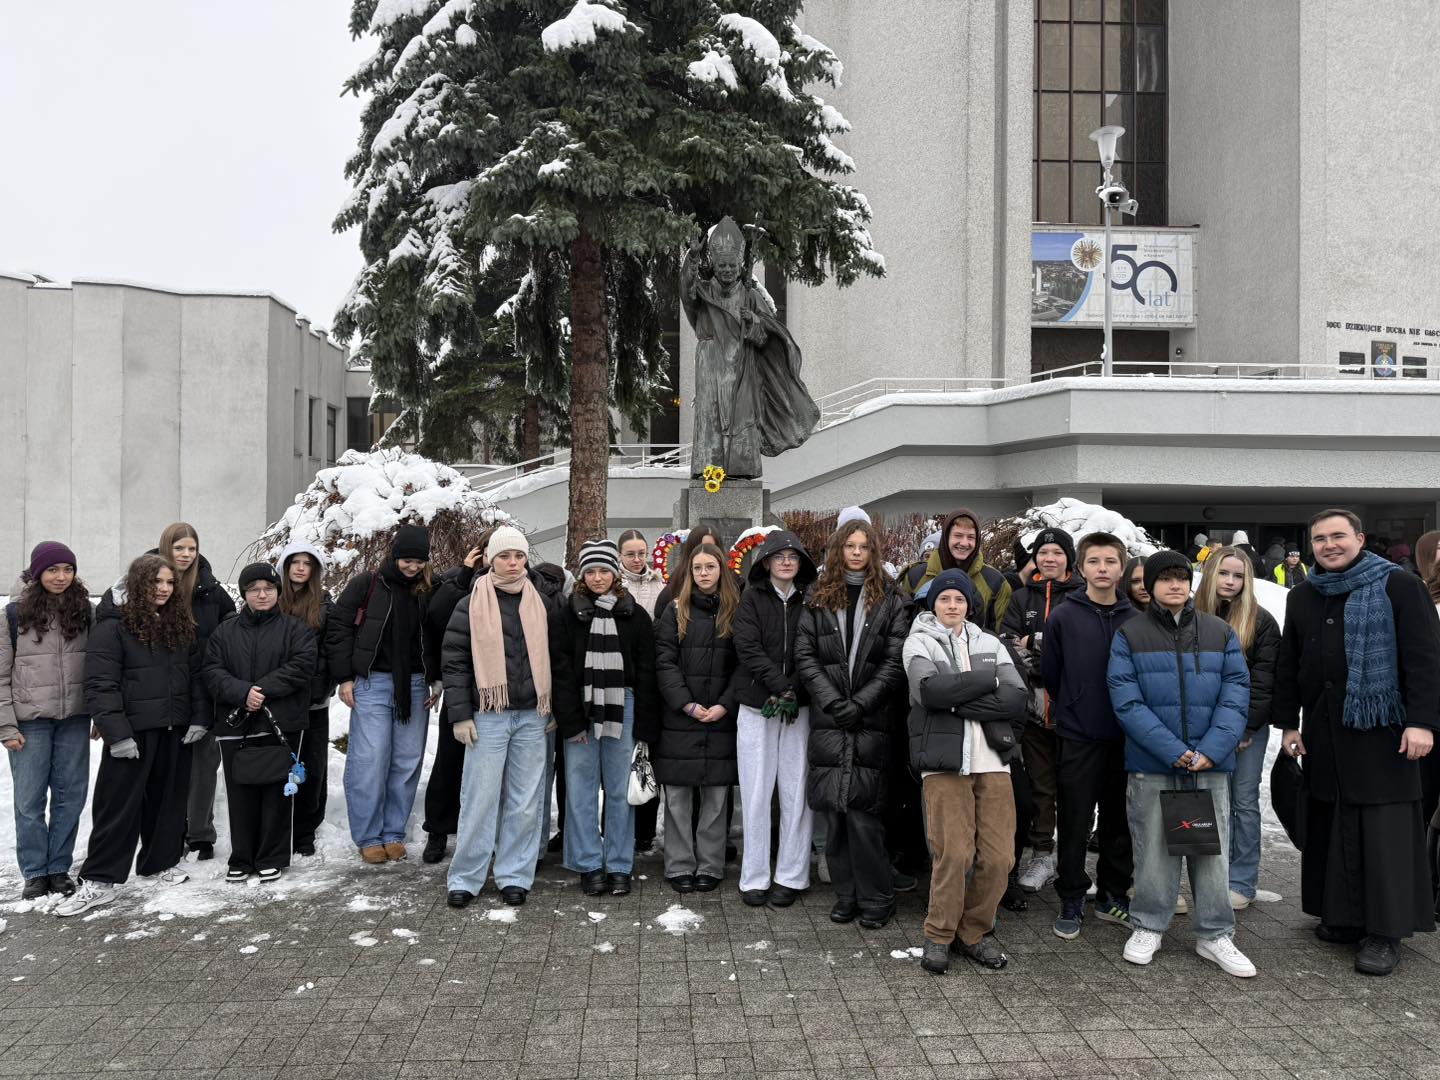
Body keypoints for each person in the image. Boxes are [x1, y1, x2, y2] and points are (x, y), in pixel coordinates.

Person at [1274, 510, 1440, 975]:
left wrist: (1422, 722)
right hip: (1325, 731)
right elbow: (1291, 661)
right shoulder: (1304, 594)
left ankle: (1385, 933)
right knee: (1333, 823)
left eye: (1338, 536)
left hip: (1385, 734)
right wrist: (1288, 723)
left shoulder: (1400, 587)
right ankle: (1344, 917)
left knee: (1383, 832)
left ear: (1360, 538)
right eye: (1320, 538)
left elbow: (1426, 659)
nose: (1329, 545)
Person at [1107, 550, 1255, 977]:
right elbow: (1126, 700)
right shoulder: (1130, 634)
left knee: (1211, 851)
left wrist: (1212, 748)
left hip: (1210, 764)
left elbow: (1236, 692)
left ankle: (1215, 933)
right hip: (1153, 762)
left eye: (1181, 577)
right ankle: (1148, 925)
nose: (1175, 585)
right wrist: (1172, 749)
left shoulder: (1219, 632)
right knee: (1153, 849)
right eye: (1165, 578)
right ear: (1149, 585)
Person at [56, 555, 205, 916]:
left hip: (174, 726)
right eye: (156, 582)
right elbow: (100, 683)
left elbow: (195, 674)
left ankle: (160, 862)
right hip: (133, 731)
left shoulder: (178, 622)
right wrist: (117, 734)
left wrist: (199, 718)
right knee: (118, 806)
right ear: (139, 584)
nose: (164, 589)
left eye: (169, 583)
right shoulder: (113, 624)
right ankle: (99, 880)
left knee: (168, 801)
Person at [904, 568, 1025, 974]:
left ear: (970, 605)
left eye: (959, 599)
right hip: (944, 761)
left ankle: (973, 931)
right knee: (954, 854)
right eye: (944, 599)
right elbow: (929, 691)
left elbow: (1016, 698)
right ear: (933, 603)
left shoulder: (990, 642)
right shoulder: (919, 641)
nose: (952, 605)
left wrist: (955, 699)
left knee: (1000, 857)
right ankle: (939, 933)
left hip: (992, 760)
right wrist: (987, 681)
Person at [795, 520, 910, 929]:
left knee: (864, 813)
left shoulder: (892, 598)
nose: (857, 553)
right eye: (850, 546)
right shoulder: (818, 595)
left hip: (872, 718)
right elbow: (805, 655)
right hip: (830, 718)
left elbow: (895, 660)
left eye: (864, 546)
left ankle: (877, 896)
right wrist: (832, 701)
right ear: (838, 550)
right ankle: (846, 894)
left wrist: (861, 703)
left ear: (873, 552)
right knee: (836, 813)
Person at [443, 526, 557, 908]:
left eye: (519, 556)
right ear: (491, 559)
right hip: (488, 714)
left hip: (533, 715)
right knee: (480, 798)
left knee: (525, 801)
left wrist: (554, 706)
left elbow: (558, 657)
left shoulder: (543, 601)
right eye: (505, 556)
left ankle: (514, 875)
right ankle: (465, 877)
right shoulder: (470, 603)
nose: (513, 563)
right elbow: (455, 662)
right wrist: (461, 715)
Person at [1042, 533, 1140, 940]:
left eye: (1110, 561)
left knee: (1119, 820)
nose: (1102, 568)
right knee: (1075, 819)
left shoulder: (1135, 618)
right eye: (1094, 561)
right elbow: (1052, 673)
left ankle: (1112, 893)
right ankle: (1071, 895)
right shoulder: (1063, 617)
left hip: (1125, 737)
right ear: (1080, 568)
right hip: (1079, 735)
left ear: (1122, 568)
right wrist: (1074, 705)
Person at [551, 540, 659, 898]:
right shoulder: (567, 615)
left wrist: (644, 725)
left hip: (622, 705)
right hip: (580, 706)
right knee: (580, 791)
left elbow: (647, 673)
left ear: (616, 574)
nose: (598, 578)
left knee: (619, 791)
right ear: (582, 576)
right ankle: (588, 864)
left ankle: (618, 864)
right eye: (591, 571)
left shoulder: (635, 615)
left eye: (604, 571)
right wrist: (571, 722)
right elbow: (560, 671)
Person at [327, 525, 439, 865]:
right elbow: (339, 629)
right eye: (407, 560)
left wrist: (436, 678)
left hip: (415, 685)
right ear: (394, 555)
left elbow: (438, 635)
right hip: (372, 683)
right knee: (370, 759)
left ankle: (393, 832)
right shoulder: (368, 584)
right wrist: (345, 677)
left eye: (419, 561)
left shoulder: (429, 588)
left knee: (407, 760)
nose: (413, 567)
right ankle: (368, 836)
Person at [128, 525, 236, 864]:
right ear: (165, 548)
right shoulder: (146, 583)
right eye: (179, 548)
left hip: (206, 688)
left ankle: (200, 834)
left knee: (204, 765)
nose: (186, 555)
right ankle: (167, 832)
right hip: (161, 694)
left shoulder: (212, 591)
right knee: (166, 768)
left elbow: (233, 631)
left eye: (191, 548)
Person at [680, 216, 819, 480]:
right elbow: (686, 291)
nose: (727, 270)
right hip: (710, 363)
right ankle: (708, 469)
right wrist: (693, 258)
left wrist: (753, 321)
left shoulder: (751, 296)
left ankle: (740, 468)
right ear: (714, 264)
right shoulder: (703, 292)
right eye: (722, 265)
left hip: (742, 367)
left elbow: (768, 336)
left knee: (742, 417)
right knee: (710, 417)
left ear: (740, 265)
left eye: (732, 265)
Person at [203, 563, 317, 884]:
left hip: (282, 722)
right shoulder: (224, 632)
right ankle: (242, 857)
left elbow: (302, 665)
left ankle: (271, 857)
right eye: (254, 589)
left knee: (277, 793)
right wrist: (242, 693)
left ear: (278, 591)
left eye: (268, 588)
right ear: (244, 594)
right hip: (236, 724)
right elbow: (212, 670)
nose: (262, 594)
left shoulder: (296, 629)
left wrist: (260, 691)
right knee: (240, 793)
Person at [646, 542, 740, 893]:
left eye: (710, 567)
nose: (703, 573)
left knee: (715, 797)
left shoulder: (735, 611)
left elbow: (743, 664)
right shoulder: (675, 611)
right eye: (697, 567)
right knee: (677, 797)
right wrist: (685, 703)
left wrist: (725, 704)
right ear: (689, 572)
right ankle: (679, 864)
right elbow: (664, 662)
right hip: (680, 717)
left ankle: (711, 865)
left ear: (721, 570)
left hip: (720, 716)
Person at [0, 543, 92, 899]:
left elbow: (100, 666)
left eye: (68, 569)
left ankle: (58, 868)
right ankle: (35, 872)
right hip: (30, 721)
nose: (61, 576)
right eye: (53, 569)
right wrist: (6, 726)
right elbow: (1, 675)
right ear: (37, 572)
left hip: (74, 718)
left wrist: (101, 715)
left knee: (71, 797)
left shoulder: (85, 611)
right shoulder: (14, 614)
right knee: (29, 800)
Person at [732, 530, 817, 907]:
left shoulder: (810, 600)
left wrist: (794, 688)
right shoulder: (751, 598)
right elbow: (747, 647)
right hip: (757, 705)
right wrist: (780, 685)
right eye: (779, 556)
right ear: (766, 562)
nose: (786, 562)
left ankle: (791, 875)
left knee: (796, 792)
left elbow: (812, 648)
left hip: (798, 706)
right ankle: (754, 876)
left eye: (792, 556)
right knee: (756, 792)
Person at [1195, 546, 1281, 910]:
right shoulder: (1190, 615)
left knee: (1243, 801)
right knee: (1208, 802)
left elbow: (1264, 680)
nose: (1230, 581)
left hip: (1246, 728)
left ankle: (1242, 881)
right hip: (1202, 726)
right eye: (1224, 573)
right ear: (1210, 574)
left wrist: (1246, 728)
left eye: (1238, 575)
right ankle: (1209, 877)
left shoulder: (1260, 621)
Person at [1001, 528, 1083, 895]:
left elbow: (1081, 648)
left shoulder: (1082, 596)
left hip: (1074, 710)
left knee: (1074, 788)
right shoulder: (1021, 597)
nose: (1049, 558)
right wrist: (1046, 658)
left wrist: (1035, 641)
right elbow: (1007, 645)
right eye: (1043, 552)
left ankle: (1071, 860)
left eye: (1057, 552)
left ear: (1069, 558)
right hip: (1033, 710)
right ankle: (1042, 855)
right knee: (1040, 788)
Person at [419, 530, 495, 864]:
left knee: (489, 768)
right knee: (449, 761)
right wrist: (465, 574)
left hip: (498, 690)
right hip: (461, 684)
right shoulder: (456, 581)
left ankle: (483, 831)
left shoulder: (521, 583)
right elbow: (436, 617)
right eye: (490, 550)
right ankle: (438, 829)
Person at [277, 542, 335, 857]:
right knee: (280, 763)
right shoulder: (272, 599)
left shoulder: (324, 605)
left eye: (307, 563)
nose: (300, 568)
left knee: (312, 764)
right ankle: (280, 825)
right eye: (295, 562)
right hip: (279, 699)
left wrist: (322, 688)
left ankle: (305, 829)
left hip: (314, 700)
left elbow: (331, 650)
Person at [617, 529, 665, 856]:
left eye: (641, 553)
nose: (637, 559)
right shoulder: (614, 584)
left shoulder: (659, 585)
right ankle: (619, 827)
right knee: (622, 762)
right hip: (624, 677)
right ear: (620, 556)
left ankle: (645, 831)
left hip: (653, 677)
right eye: (630, 553)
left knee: (648, 758)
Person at [900, 509, 1012, 632]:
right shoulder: (915, 576)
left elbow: (1001, 634)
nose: (964, 543)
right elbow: (902, 628)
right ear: (946, 537)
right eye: (958, 535)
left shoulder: (995, 581)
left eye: (971, 537)